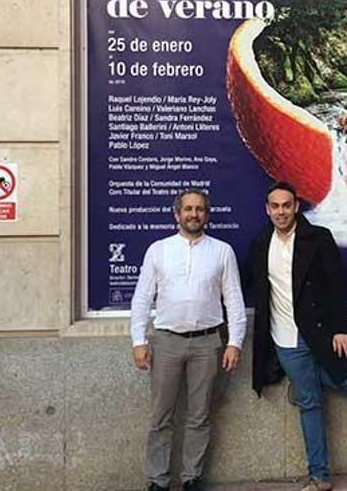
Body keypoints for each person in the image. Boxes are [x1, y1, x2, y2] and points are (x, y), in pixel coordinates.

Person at [249, 181, 347, 491]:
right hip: (285, 338)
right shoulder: (261, 244)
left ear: (296, 206)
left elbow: (338, 286)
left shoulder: (318, 239)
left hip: (322, 333)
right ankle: (319, 476)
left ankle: (304, 385)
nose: (281, 211)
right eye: (275, 206)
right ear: (267, 210)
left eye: (286, 205)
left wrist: (342, 328)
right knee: (311, 405)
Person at [130, 189, 246, 491]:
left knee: (200, 415)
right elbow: (142, 298)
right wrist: (138, 340)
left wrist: (235, 342)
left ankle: (192, 478)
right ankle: (158, 480)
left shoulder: (222, 251)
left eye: (199, 209)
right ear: (177, 214)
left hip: (208, 344)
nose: (193, 214)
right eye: (188, 209)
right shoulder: (159, 249)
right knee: (161, 416)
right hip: (166, 342)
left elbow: (233, 300)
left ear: (207, 215)